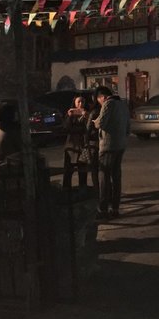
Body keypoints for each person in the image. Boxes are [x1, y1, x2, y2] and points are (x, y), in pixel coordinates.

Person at [93, 86, 130, 219]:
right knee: (116, 177)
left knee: (104, 177)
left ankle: (103, 209)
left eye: (98, 100)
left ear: (102, 97)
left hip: (108, 146)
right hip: (120, 145)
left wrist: (94, 121)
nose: (99, 103)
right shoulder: (123, 104)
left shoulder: (108, 104)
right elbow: (128, 127)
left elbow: (101, 123)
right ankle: (115, 208)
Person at [62, 96, 90, 190]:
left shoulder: (86, 114)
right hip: (71, 145)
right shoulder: (70, 113)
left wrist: (86, 117)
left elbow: (88, 128)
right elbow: (66, 128)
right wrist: (70, 117)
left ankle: (82, 188)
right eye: (78, 102)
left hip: (82, 145)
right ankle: (67, 190)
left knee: (82, 169)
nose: (80, 104)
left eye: (82, 102)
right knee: (68, 169)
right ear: (74, 103)